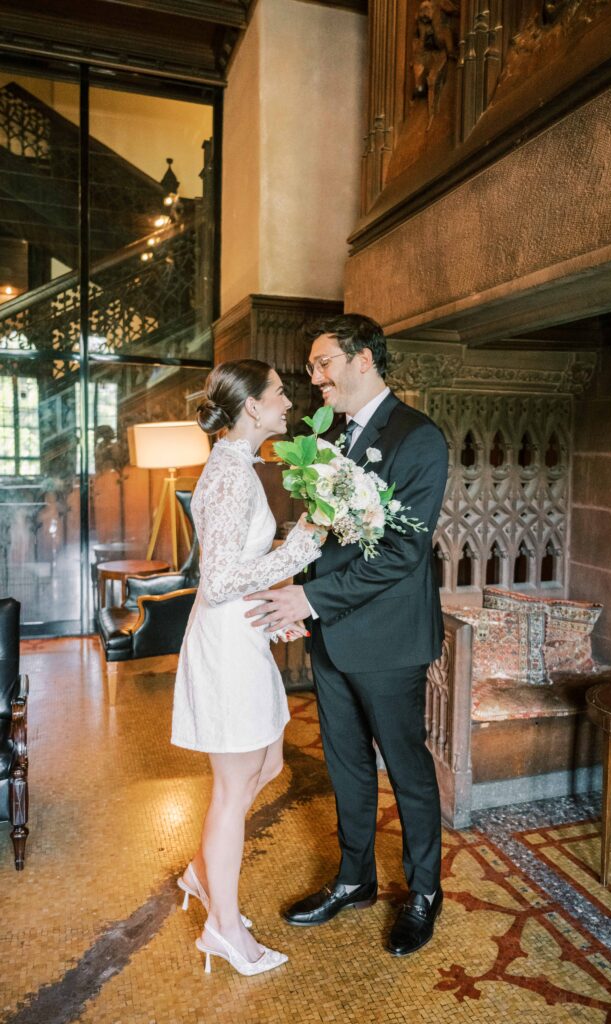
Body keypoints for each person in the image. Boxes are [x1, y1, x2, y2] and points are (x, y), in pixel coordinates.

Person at [245, 314, 449, 956]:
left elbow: (401, 554)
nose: (316, 377)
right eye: (310, 367)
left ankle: (424, 892)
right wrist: (302, 595)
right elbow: (324, 535)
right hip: (332, 632)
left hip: (389, 642)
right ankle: (355, 878)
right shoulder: (332, 436)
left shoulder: (419, 438)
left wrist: (308, 595)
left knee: (407, 770)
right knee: (346, 765)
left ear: (364, 360)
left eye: (324, 362)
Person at [171, 359, 326, 977]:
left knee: (269, 763)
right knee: (234, 791)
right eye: (281, 394)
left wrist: (275, 605)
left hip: (245, 634)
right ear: (253, 408)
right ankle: (224, 929)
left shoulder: (239, 467)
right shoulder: (232, 476)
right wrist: (301, 547)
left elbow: (238, 569)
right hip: (227, 645)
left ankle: (202, 872)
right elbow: (220, 580)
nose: (290, 402)